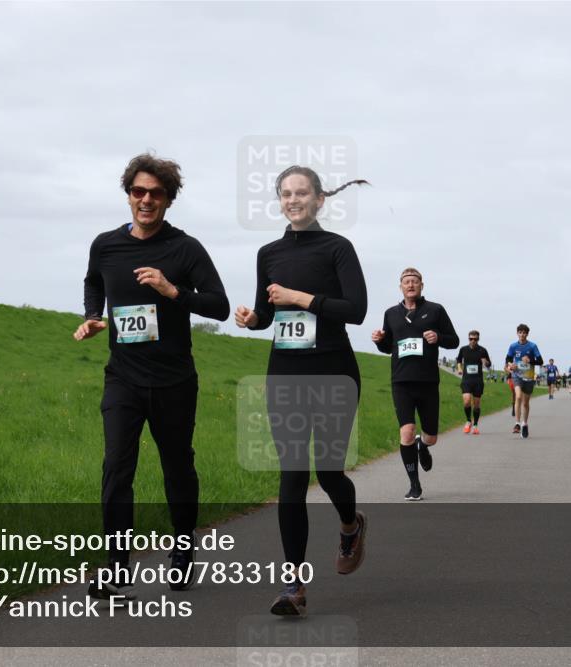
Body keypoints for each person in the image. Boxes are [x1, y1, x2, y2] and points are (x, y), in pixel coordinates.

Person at [76, 153, 229, 599]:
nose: (146, 200)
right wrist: (93, 315)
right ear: (128, 195)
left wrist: (172, 290)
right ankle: (116, 568)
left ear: (168, 199)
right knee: (116, 468)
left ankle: (182, 548)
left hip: (173, 380)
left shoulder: (185, 249)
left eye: (156, 193)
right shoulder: (106, 245)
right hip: (122, 378)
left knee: (177, 467)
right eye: (138, 191)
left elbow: (219, 305)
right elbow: (93, 281)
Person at [234, 165, 369, 616]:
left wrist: (301, 298)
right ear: (280, 201)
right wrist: (254, 319)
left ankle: (351, 525)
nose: (293, 200)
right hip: (285, 375)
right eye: (286, 194)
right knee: (292, 476)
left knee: (328, 473)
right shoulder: (268, 253)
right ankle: (294, 585)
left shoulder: (337, 248)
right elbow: (267, 313)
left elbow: (356, 310)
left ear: (319, 199)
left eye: (302, 193)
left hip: (334, 373)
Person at [373, 269, 459, 498]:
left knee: (431, 437)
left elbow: (454, 341)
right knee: (407, 431)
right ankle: (414, 485)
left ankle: (423, 445)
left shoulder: (435, 310)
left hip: (428, 381)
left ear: (422, 285)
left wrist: (438, 337)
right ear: (400, 286)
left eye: (414, 281)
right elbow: (388, 346)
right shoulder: (391, 314)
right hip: (401, 381)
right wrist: (379, 340)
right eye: (406, 282)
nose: (410, 285)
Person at [505, 324, 543, 439]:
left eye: (524, 333)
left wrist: (530, 360)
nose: (522, 335)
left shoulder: (532, 346)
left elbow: (540, 361)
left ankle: (524, 424)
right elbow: (508, 359)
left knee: (525, 403)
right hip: (517, 375)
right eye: (520, 332)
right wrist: (510, 365)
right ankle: (517, 423)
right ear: (517, 333)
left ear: (527, 334)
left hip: (529, 377)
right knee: (518, 397)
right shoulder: (513, 346)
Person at [455, 330, 491, 435]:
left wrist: (485, 362)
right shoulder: (463, 349)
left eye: (475, 339)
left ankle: (475, 425)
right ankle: (468, 421)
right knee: (466, 401)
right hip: (466, 380)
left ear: (478, 339)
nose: (473, 341)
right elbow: (459, 360)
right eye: (471, 339)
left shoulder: (482, 350)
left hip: (478, 381)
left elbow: (489, 364)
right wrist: (459, 368)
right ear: (468, 339)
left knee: (476, 404)